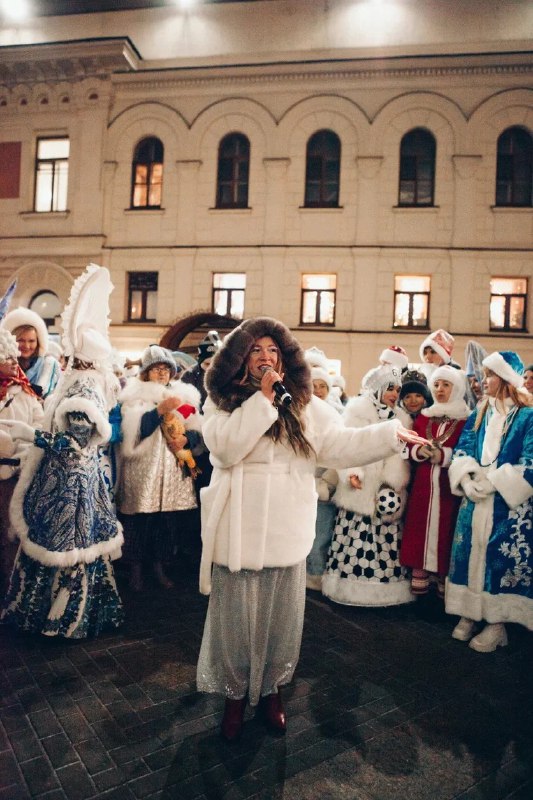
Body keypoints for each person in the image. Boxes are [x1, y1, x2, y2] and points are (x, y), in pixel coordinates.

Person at [196, 318, 427, 741]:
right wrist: (262, 403)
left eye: (273, 352)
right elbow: (225, 449)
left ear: (284, 360)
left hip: (286, 525)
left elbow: (339, 445)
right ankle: (233, 696)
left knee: (281, 617)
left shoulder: (305, 405)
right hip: (240, 525)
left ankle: (272, 692)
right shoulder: (223, 401)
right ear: (240, 357)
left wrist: (391, 434)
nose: (266, 358)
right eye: (256, 351)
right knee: (234, 618)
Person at [1, 264, 124, 638]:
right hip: (66, 486)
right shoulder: (78, 382)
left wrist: (32, 436)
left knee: (67, 550)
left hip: (70, 490)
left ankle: (64, 619)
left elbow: (72, 449)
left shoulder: (83, 390)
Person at [446, 351, 533, 652]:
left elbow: (530, 460)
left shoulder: (528, 416)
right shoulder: (479, 412)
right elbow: (463, 448)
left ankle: (497, 622)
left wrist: (495, 483)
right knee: (469, 551)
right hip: (475, 499)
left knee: (498, 558)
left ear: (506, 379)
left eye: (490, 375)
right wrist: (467, 479)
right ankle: (471, 610)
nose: (484, 381)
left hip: (506, 505)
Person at [322, 365, 414, 608]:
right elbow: (343, 447)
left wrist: (394, 482)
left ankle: (385, 593)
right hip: (359, 491)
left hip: (386, 495)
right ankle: (349, 591)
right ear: (377, 388)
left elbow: (401, 458)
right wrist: (352, 472)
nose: (395, 393)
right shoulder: (356, 413)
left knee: (385, 542)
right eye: (390, 388)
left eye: (397, 389)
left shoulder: (402, 418)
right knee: (355, 541)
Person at [118, 345, 202, 591]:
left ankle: (159, 566)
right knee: (139, 521)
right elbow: (134, 432)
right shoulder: (135, 397)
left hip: (172, 471)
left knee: (166, 523)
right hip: (143, 470)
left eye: (166, 369)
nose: (162, 373)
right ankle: (135, 569)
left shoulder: (183, 396)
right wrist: (158, 412)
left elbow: (197, 428)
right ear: (145, 373)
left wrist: (188, 439)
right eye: (156, 369)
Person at [400, 365, 470, 600]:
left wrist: (444, 456)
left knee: (445, 534)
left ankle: (442, 590)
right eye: (437, 385)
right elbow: (410, 442)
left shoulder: (465, 420)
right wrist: (419, 451)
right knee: (420, 531)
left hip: (448, 488)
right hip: (423, 487)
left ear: (457, 388)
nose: (440, 390)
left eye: (446, 385)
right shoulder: (424, 417)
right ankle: (420, 590)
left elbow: (467, 450)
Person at [0, 329, 44, 595]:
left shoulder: (26, 393)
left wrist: (22, 453)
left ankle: (10, 589)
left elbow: (39, 427)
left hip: (15, 474)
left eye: (11, 356)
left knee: (12, 532)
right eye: (5, 357)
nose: (11, 362)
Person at [2, 307, 61, 399]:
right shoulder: (4, 366)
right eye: (21, 340)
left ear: (39, 342)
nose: (27, 346)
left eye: (31, 341)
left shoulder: (49, 365)